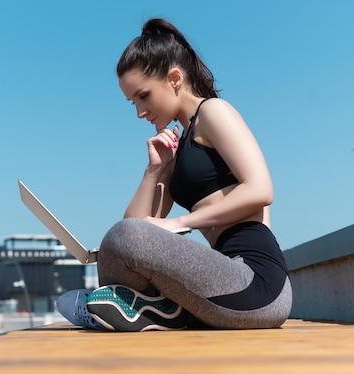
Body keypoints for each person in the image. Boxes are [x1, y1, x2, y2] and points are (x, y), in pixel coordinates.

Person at [57, 18, 291, 331]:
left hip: (257, 283)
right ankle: (156, 310)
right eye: (133, 103)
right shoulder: (176, 148)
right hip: (218, 284)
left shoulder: (213, 112)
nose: (140, 112)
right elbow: (133, 227)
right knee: (117, 241)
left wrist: (178, 223)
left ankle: (138, 307)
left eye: (143, 96)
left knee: (123, 238)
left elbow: (261, 189)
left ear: (175, 78)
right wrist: (154, 171)